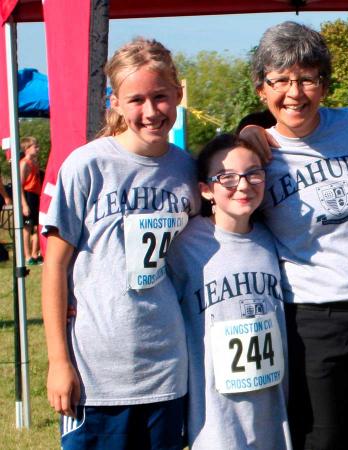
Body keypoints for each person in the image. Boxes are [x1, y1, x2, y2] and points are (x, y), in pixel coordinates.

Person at [243, 21, 348, 450]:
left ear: (325, 84)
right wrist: (247, 133)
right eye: (280, 80)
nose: (294, 92)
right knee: (322, 440)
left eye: (307, 78)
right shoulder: (256, 155)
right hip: (313, 324)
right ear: (261, 88)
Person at [41, 37, 199, 450]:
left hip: (166, 371)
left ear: (178, 94)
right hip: (97, 374)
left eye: (161, 97)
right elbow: (54, 265)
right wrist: (59, 362)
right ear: (114, 102)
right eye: (137, 99)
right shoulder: (87, 165)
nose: (151, 111)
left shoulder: (187, 170)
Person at [167, 134, 291, 449]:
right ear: (206, 189)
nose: (244, 184)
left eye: (253, 173)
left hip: (272, 410)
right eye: (227, 177)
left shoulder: (273, 238)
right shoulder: (183, 246)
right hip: (215, 416)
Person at [19, 136, 42, 265]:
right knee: (27, 227)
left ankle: (35, 253)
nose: (37, 148)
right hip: (27, 195)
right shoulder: (24, 164)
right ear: (27, 149)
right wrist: (24, 205)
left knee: (38, 226)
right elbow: (20, 186)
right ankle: (27, 256)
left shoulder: (35, 163)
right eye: (35, 146)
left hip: (36, 195)